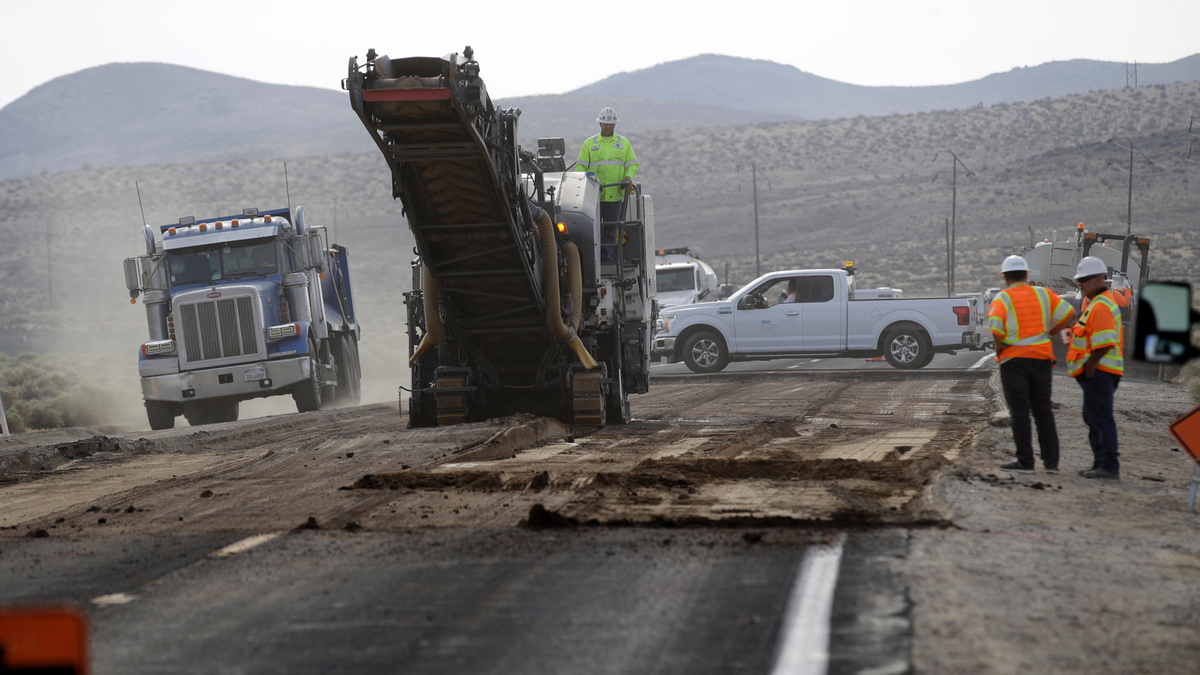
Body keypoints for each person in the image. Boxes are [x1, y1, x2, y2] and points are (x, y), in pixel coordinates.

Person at [989, 255, 1075, 474]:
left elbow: (996, 329)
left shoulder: (1003, 299)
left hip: (1013, 361)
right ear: (1026, 275)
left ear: (1006, 278)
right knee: (1043, 411)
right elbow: (1070, 313)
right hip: (1041, 359)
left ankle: (1026, 462)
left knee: (1019, 413)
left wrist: (1001, 350)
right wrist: (1051, 333)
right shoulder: (1044, 294)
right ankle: (1051, 463)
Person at [1066, 256, 1124, 480]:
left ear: (1100, 279)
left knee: (1101, 418)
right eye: (1080, 280)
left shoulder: (1100, 306)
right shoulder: (1095, 305)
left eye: (1086, 279)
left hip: (1100, 373)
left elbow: (1105, 343)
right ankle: (1100, 464)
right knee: (1093, 418)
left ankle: (1109, 466)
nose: (1081, 284)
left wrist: (1090, 367)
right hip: (1097, 374)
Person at [576, 107, 639, 263]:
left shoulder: (623, 144)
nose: (608, 126)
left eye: (611, 124)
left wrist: (628, 177)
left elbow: (633, 164)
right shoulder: (589, 144)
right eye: (605, 123)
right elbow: (580, 168)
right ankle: (593, 259)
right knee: (593, 228)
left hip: (615, 194)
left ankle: (607, 258)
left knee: (611, 228)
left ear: (615, 125)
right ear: (600, 124)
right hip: (593, 196)